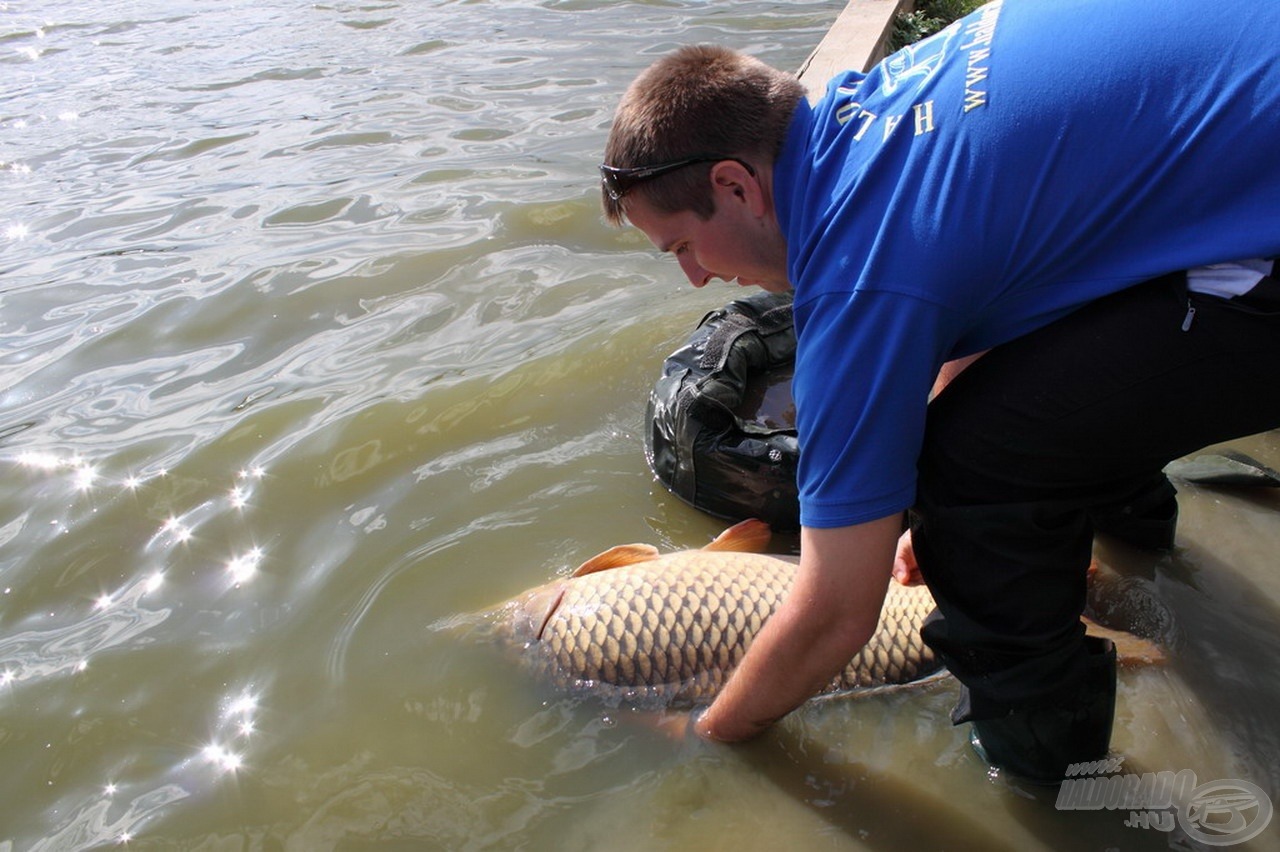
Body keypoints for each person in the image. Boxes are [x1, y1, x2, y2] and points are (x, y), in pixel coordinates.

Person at [599, 0, 1280, 785]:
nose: (695, 276)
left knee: (973, 476)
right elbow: (993, 285)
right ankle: (1141, 547)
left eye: (683, 244)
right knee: (1029, 403)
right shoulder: (881, 107)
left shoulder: (859, 274)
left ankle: (1052, 777)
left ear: (736, 185)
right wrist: (891, 506)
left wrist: (711, 730)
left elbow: (838, 612)